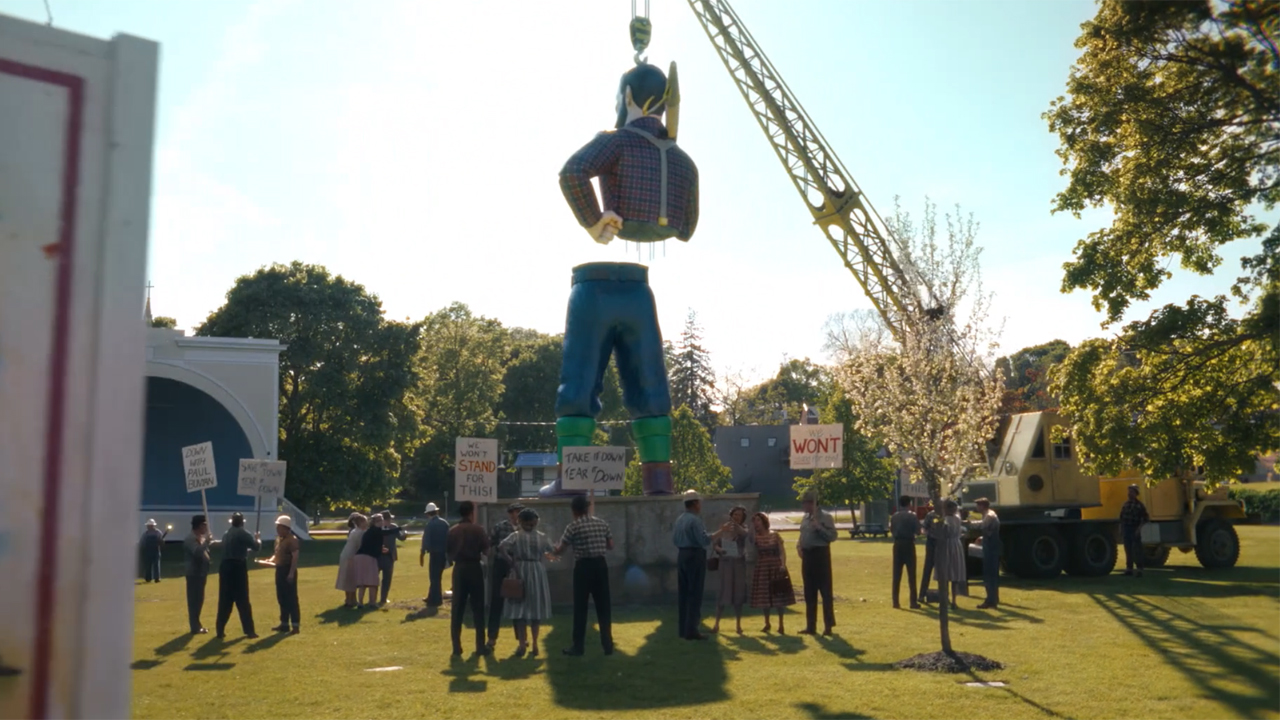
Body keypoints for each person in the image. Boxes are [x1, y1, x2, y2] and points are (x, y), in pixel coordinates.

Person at [545, 61, 699, 498]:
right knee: (650, 380)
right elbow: (687, 227)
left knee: (578, 380)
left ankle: (571, 480)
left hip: (592, 290)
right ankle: (659, 479)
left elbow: (571, 172)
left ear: (628, 98)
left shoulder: (615, 142)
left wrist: (595, 222)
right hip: (640, 292)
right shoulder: (683, 160)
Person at [552, 494, 615, 656]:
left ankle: (578, 646)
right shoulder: (602, 524)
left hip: (583, 567)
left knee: (581, 607)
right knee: (603, 607)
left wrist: (552, 548)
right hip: (601, 566)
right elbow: (611, 546)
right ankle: (607, 644)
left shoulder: (573, 527)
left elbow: (561, 549)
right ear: (587, 508)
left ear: (574, 510)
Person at [499, 508, 556, 658]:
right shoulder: (541, 536)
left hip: (520, 569)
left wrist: (511, 561)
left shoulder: (516, 535)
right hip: (537, 570)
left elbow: (501, 546)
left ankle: (522, 644)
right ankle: (535, 644)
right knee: (535, 609)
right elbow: (553, 551)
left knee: (520, 610)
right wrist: (549, 556)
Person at [672, 490, 729, 640]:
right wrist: (720, 532)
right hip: (694, 555)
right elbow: (703, 540)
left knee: (683, 593)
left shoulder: (680, 519)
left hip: (682, 555)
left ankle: (683, 629)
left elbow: (674, 539)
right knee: (695, 593)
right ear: (695, 503)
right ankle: (692, 630)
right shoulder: (695, 520)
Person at [446, 500, 490, 656]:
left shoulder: (453, 530)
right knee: (478, 608)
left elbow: (448, 550)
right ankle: (480, 646)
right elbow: (486, 550)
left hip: (459, 569)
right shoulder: (478, 530)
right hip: (474, 568)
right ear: (472, 512)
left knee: (457, 608)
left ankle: (456, 646)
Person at [796, 490, 838, 635]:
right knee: (809, 592)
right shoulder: (805, 518)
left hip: (820, 555)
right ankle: (810, 626)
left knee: (825, 591)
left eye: (805, 503)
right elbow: (802, 534)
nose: (803, 506)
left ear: (812, 503)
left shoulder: (825, 517)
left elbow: (832, 536)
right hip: (807, 556)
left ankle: (828, 626)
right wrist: (799, 545)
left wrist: (819, 528)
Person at [215, 512, 260, 639]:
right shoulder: (243, 533)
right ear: (242, 522)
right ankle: (249, 630)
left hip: (225, 567)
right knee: (243, 600)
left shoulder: (226, 534)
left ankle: (220, 629)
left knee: (225, 599)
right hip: (237, 567)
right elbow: (256, 547)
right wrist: (258, 538)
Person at [749, 512, 795, 633]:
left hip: (775, 566)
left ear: (764, 522)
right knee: (764, 596)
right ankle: (767, 623)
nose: (756, 524)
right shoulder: (755, 537)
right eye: (754, 521)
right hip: (762, 567)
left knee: (778, 595)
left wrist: (783, 564)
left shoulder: (774, 535)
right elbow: (747, 540)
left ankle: (781, 624)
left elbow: (781, 551)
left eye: (758, 520)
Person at [487, 503, 523, 651]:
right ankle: (491, 638)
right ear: (510, 514)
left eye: (519, 512)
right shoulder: (500, 527)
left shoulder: (525, 528)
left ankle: (521, 638)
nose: (517, 515)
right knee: (497, 600)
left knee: (519, 601)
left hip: (518, 565)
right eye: (515, 512)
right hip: (501, 564)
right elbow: (491, 543)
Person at [258, 515, 301, 634]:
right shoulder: (279, 540)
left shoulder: (292, 540)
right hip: (280, 570)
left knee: (291, 598)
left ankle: (295, 625)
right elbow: (276, 553)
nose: (277, 529)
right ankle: (284, 624)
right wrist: (270, 560)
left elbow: (295, 557)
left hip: (288, 569)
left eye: (279, 527)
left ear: (286, 528)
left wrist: (291, 573)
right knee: (281, 597)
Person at [712, 505, 749, 635]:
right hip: (725, 563)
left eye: (739, 515)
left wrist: (739, 530)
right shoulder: (725, 528)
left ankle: (738, 626)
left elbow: (749, 538)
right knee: (723, 592)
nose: (736, 517)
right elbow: (715, 543)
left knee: (738, 595)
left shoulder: (744, 529)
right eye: (734, 514)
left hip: (738, 564)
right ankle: (716, 624)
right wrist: (720, 549)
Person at [890, 496, 922, 609]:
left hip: (898, 544)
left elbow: (892, 530)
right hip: (909, 544)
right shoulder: (912, 516)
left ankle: (895, 601)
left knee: (896, 574)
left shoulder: (894, 516)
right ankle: (913, 602)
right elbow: (918, 531)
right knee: (911, 574)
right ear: (909, 503)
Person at [933, 500, 966, 610]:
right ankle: (953, 600)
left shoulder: (945, 520)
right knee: (954, 573)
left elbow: (943, 533)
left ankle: (946, 599)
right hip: (956, 544)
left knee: (946, 572)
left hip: (947, 544)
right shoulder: (957, 519)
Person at [182, 515, 212, 634]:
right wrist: (206, 543)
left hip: (201, 573)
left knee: (199, 600)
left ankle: (197, 624)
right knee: (194, 600)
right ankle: (194, 626)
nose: (206, 528)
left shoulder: (200, 538)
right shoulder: (191, 539)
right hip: (194, 574)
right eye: (204, 525)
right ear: (199, 526)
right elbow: (197, 552)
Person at [419, 502, 450, 608]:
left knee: (434, 577)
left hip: (434, 554)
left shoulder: (430, 525)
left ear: (428, 513)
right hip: (443, 553)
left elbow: (426, 541)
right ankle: (432, 597)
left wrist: (423, 552)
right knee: (438, 576)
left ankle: (436, 599)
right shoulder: (444, 523)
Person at [972, 497, 1001, 609]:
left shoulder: (989, 515)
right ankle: (993, 599)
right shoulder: (989, 514)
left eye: (978, 505)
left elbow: (982, 525)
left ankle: (990, 600)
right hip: (990, 545)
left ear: (982, 506)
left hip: (991, 547)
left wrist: (969, 524)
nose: (976, 507)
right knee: (991, 574)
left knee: (989, 574)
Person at [352, 512, 385, 608]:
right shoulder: (377, 531)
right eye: (381, 520)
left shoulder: (369, 531)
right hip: (369, 557)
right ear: (377, 522)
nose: (383, 522)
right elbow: (378, 545)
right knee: (372, 582)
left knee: (362, 582)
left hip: (359, 556)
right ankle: (372, 602)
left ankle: (360, 603)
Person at [336, 513, 366, 608]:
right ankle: (350, 600)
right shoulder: (360, 533)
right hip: (351, 556)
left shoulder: (353, 531)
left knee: (347, 577)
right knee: (351, 578)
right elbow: (360, 546)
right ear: (361, 522)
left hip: (345, 554)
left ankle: (350, 599)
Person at [1119, 484, 1150, 577]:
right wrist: (1121, 529)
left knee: (1137, 550)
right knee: (1128, 550)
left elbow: (1145, 518)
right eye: (1129, 492)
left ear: (1136, 493)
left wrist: (1139, 529)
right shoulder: (1126, 505)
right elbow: (1121, 518)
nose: (1129, 494)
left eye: (1131, 492)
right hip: (1126, 528)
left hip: (1135, 528)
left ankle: (1140, 569)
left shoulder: (1139, 505)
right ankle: (1129, 569)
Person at [378, 510, 407, 605]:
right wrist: (404, 532)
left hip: (378, 556)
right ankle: (383, 598)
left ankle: (374, 599)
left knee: (375, 578)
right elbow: (402, 538)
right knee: (386, 579)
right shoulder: (393, 527)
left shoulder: (376, 528)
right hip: (388, 556)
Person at [918, 505, 939, 603]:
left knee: (940, 570)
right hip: (932, 542)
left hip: (940, 543)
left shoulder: (944, 514)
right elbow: (924, 528)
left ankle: (942, 595)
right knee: (928, 569)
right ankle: (922, 594)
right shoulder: (931, 515)